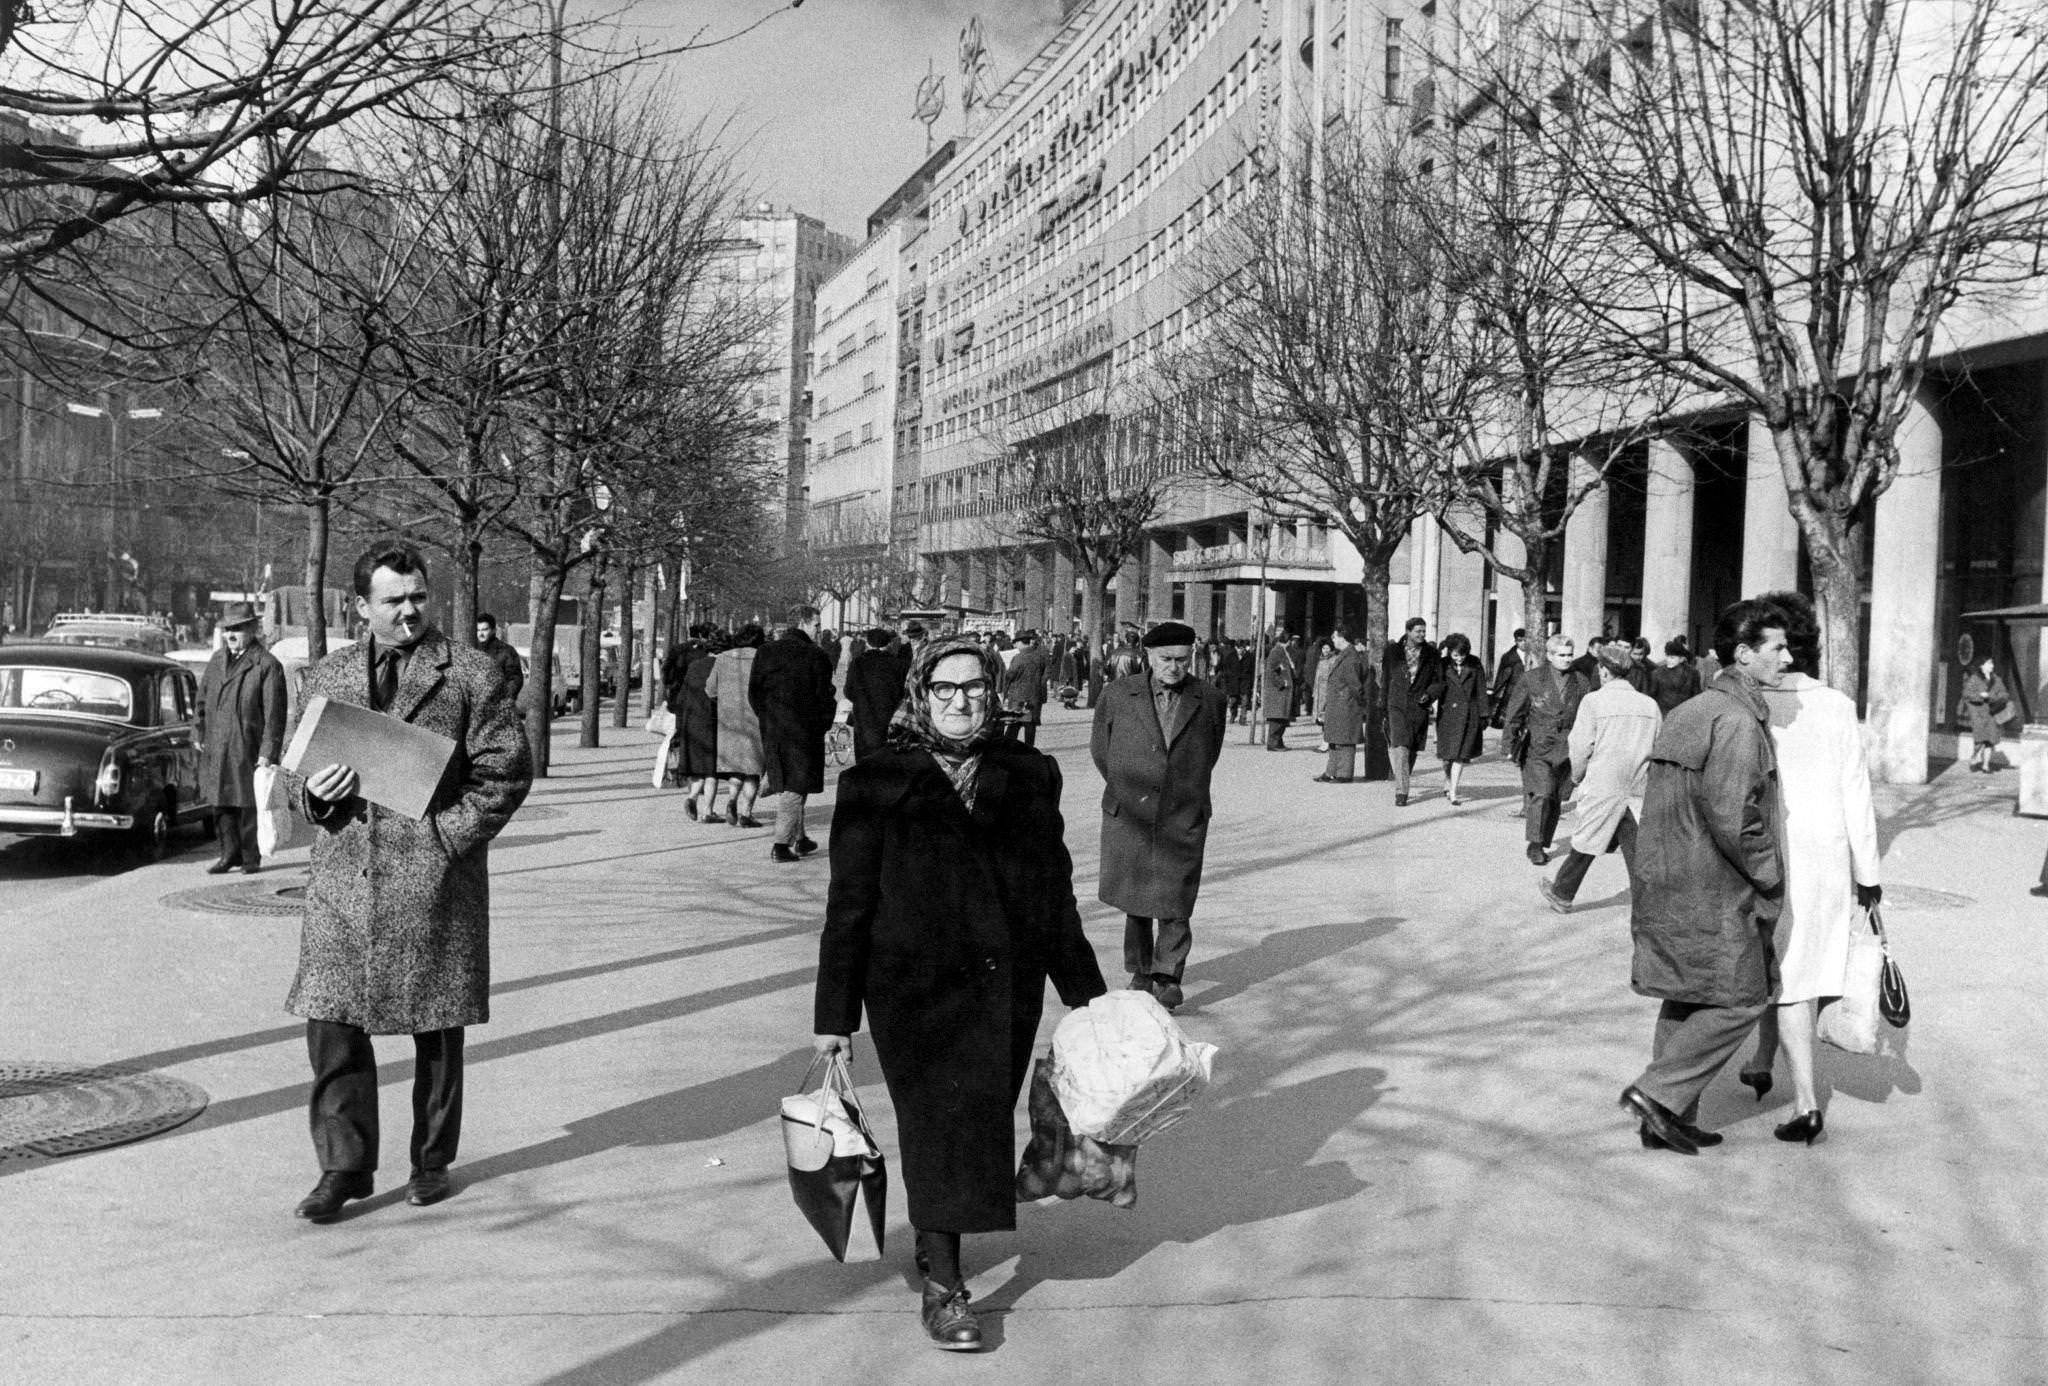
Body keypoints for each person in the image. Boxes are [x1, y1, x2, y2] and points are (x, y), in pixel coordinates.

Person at [813, 638, 1106, 1351]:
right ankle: (944, 1286)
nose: (960, 702)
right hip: (912, 988)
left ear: (994, 691)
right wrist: (834, 1019)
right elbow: (849, 906)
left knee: (979, 1121)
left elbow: (1052, 890)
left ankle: (936, 1240)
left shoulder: (1030, 773)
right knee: (935, 1124)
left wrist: (1089, 995)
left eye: (975, 688)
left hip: (1005, 981)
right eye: (945, 689)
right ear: (922, 691)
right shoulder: (874, 784)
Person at [284, 542, 533, 1219]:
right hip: (343, 882)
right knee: (333, 1027)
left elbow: (506, 773)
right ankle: (343, 1167)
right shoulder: (327, 676)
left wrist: (447, 838)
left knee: (438, 1028)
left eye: (418, 596)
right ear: (362, 607)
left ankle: (430, 1160)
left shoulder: (471, 675)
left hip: (434, 881)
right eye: (393, 600)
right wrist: (317, 796)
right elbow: (292, 773)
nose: (409, 611)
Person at [1619, 598, 1789, 1156]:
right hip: (1713, 887)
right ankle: (1657, 1095)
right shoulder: (1738, 720)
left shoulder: (1692, 710)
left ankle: (1664, 1121)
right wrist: (1769, 876)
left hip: (1669, 879)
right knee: (1744, 997)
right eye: (1777, 648)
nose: (1786, 659)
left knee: (1685, 996)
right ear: (1743, 655)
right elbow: (1734, 814)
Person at [1740, 592, 1881, 1144]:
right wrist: (1867, 873)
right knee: (1799, 962)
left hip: (1769, 849)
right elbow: (1857, 794)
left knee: (1783, 968)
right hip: (1828, 854)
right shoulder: (1838, 704)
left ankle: (1804, 1102)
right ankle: (1761, 1056)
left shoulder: (1752, 703)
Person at [1092, 621, 1229, 1010]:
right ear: (1149, 657)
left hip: (1183, 811)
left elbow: (1210, 753)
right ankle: (1140, 970)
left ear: (1193, 657)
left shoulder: (1211, 699)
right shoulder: (1117, 695)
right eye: (1166, 659)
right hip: (1130, 811)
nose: (1174, 667)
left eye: (1182, 660)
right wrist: (1131, 788)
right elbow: (1102, 750)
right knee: (1136, 895)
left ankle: (1168, 975)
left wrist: (1178, 787)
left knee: (1177, 896)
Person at [1540, 643, 1660, 912]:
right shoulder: (1650, 705)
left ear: (1604, 671)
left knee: (1588, 839)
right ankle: (1651, 906)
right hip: (1638, 784)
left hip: (1604, 783)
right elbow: (1658, 746)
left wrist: (1578, 775)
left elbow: (1580, 747)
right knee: (1637, 849)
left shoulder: (1593, 701)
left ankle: (1562, 893)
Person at [196, 601, 287, 874]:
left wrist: (268, 753)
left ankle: (249, 858)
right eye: (227, 630)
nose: (231, 635)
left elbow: (274, 714)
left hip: (247, 746)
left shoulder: (266, 665)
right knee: (221, 802)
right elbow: (201, 700)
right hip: (217, 744)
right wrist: (198, 732)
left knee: (248, 804)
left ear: (253, 629)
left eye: (237, 629)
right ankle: (229, 854)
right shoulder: (217, 660)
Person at [750, 605, 838, 863]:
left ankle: (800, 838)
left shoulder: (765, 652)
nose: (819, 630)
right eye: (816, 625)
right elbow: (825, 697)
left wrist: (767, 718)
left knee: (791, 781)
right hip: (804, 730)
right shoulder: (816, 656)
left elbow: (754, 692)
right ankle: (781, 844)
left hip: (773, 728)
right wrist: (822, 723)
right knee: (796, 786)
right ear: (802, 622)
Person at [1504, 634, 1591, 864]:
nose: (1567, 659)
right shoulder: (1532, 678)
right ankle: (1534, 844)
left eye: (1570, 655)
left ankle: (1543, 840)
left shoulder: (1581, 682)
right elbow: (1515, 713)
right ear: (1550, 656)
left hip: (1567, 749)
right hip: (1538, 747)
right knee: (1541, 793)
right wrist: (1509, 745)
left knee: (1554, 798)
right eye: (1562, 655)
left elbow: (1588, 718)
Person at [704, 625, 767, 827]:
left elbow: (710, 690)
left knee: (736, 768)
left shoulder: (722, 658)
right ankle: (746, 813)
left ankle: (731, 800)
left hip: (728, 721)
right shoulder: (761, 658)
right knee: (753, 769)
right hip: (755, 721)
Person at [1383, 617, 1444, 807]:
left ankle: (1403, 779)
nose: (1422, 635)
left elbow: (1439, 681)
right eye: (1418, 631)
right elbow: (1385, 678)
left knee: (1412, 748)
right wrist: (1382, 705)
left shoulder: (1432, 654)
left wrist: (1429, 695)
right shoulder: (1392, 651)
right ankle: (1402, 792)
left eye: (1424, 631)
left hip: (1418, 705)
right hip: (1397, 704)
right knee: (1400, 745)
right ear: (1408, 631)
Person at [669, 630, 721, 815]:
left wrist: (679, 724)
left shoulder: (695, 666)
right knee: (712, 772)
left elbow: (682, 696)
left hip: (692, 722)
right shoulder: (721, 666)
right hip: (713, 722)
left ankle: (692, 797)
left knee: (698, 769)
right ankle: (708, 811)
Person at [1435, 632, 1488, 805]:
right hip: (1447, 715)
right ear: (1449, 652)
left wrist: (1484, 714)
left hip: (1469, 715)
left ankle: (1453, 793)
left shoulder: (1475, 664)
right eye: (1456, 655)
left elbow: (1481, 689)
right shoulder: (1442, 665)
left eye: (1463, 655)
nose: (1459, 659)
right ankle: (1448, 780)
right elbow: (1435, 687)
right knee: (1447, 757)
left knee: (1460, 756)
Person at [846, 627, 910, 762]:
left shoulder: (857, 663)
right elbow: (904, 694)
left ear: (868, 643)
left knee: (864, 762)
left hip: (864, 720)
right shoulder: (899, 665)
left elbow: (849, 691)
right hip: (890, 720)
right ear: (888, 643)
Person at [1313, 623, 1367, 783]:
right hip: (1339, 705)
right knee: (1335, 740)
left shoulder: (1350, 657)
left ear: (1342, 637)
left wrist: (1362, 704)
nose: (1333, 640)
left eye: (1335, 637)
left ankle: (1344, 774)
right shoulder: (1345, 654)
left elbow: (1355, 685)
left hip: (1346, 705)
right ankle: (1331, 771)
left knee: (1345, 740)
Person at [1957, 653, 2012, 773]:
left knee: (1990, 741)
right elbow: (1967, 694)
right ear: (1982, 666)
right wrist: (1980, 696)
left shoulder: (1996, 679)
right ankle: (1974, 756)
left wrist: (1991, 696)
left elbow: (2004, 694)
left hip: (1992, 713)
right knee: (1980, 739)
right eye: (1989, 663)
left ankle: (1985, 765)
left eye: (1992, 663)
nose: (1992, 665)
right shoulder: (1974, 679)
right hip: (1978, 713)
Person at [999, 629, 1052, 745]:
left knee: (1013, 727)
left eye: (1017, 643)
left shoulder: (1018, 658)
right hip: (1034, 697)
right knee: (1030, 728)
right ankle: (1030, 753)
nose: (1016, 645)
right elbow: (1046, 675)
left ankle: (1008, 751)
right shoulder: (1040, 657)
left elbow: (1009, 676)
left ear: (1021, 643)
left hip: (1018, 698)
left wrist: (1004, 692)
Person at [1260, 625, 1298, 750]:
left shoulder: (1283, 651)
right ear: (1287, 641)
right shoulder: (1277, 652)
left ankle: (1278, 742)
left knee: (1281, 719)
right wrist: (1282, 683)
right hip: (1277, 693)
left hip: (1281, 693)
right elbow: (1270, 671)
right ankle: (1273, 743)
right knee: (1277, 719)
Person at [1490, 628, 1535, 729]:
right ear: (1515, 641)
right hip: (1513, 694)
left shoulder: (1534, 655)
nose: (1523, 643)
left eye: (1525, 640)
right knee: (1512, 725)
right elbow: (1501, 680)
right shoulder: (1509, 657)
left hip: (1530, 695)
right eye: (1520, 640)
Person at [474, 613, 523, 704]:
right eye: (478, 630)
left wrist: (506, 699)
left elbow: (515, 678)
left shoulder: (506, 651)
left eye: (485, 629)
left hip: (498, 704)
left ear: (493, 630)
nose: (481, 633)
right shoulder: (473, 650)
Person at [1647, 637, 1703, 716]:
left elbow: (1697, 695)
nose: (1668, 660)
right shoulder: (1657, 673)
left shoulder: (1693, 673)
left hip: (1685, 715)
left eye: (1672, 658)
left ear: (1682, 659)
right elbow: (1651, 697)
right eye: (1667, 656)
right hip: (1663, 715)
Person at [1216, 639, 1244, 723]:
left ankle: (1242, 717)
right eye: (1239, 647)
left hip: (1241, 680)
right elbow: (1224, 666)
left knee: (1241, 700)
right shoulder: (1230, 656)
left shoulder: (1246, 656)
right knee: (1233, 699)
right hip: (1232, 680)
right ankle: (1233, 714)